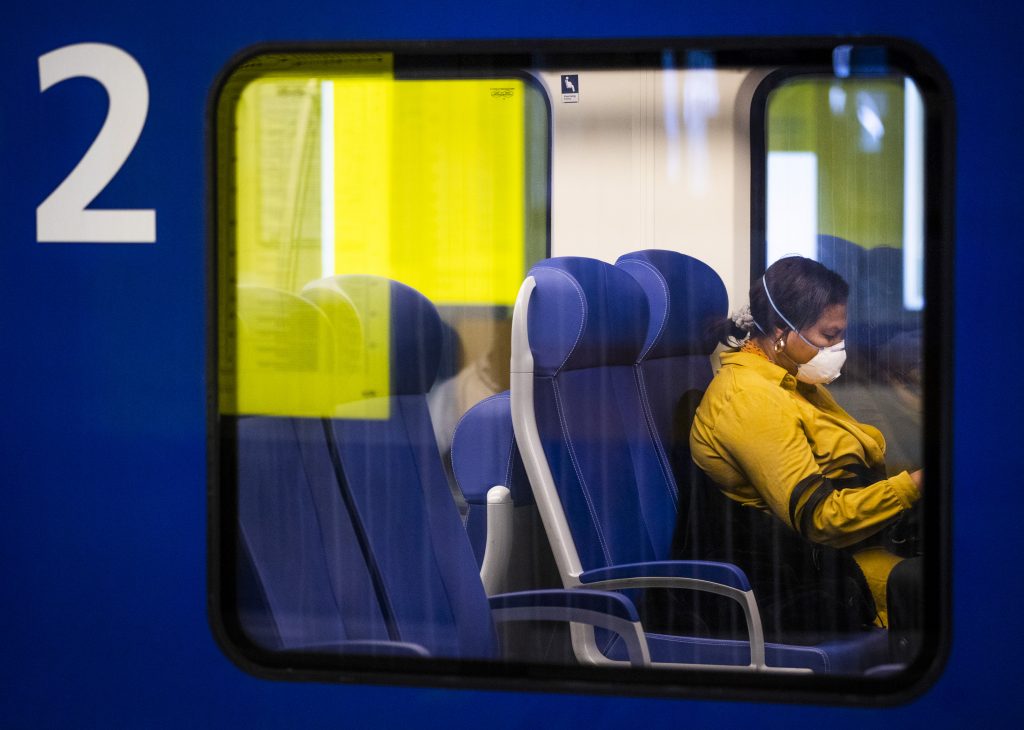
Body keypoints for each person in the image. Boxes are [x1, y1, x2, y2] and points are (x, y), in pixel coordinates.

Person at [683, 255, 922, 644]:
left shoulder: (793, 380)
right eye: (829, 336)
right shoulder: (750, 399)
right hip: (816, 570)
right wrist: (914, 485)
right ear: (781, 330)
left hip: (850, 549)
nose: (839, 348)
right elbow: (822, 519)